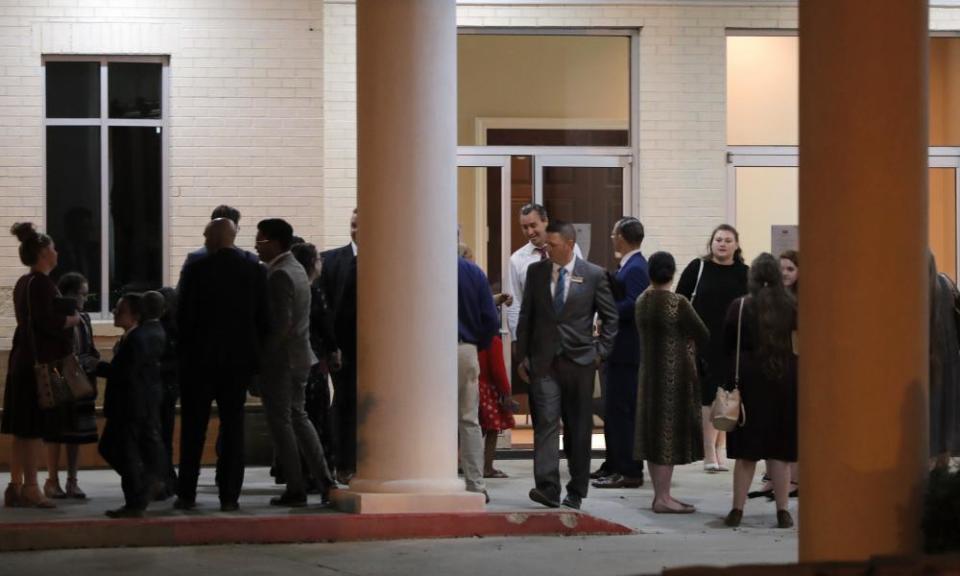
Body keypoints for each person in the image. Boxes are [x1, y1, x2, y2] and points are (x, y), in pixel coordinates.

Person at [517, 221, 618, 510]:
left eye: (553, 245)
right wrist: (522, 356)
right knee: (546, 423)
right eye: (545, 245)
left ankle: (576, 489)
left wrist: (600, 352)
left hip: (580, 362)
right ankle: (547, 487)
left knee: (578, 428)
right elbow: (527, 315)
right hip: (544, 362)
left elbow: (611, 319)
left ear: (570, 244)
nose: (546, 249)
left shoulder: (594, 275)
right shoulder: (536, 272)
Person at [175, 218, 269, 512]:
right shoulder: (254, 270)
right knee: (233, 428)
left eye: (205, 233)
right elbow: (264, 318)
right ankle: (229, 495)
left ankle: (187, 493)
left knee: (194, 429)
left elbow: (182, 317)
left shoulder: (196, 269)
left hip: (199, 362)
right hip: (237, 362)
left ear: (215, 238)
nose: (203, 238)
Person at [256, 218, 336, 506]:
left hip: (283, 361)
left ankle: (296, 486)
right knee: (300, 419)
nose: (256, 245)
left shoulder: (279, 274)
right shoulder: (297, 270)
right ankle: (325, 479)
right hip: (301, 357)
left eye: (261, 240)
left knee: (283, 424)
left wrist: (262, 361)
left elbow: (280, 326)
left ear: (276, 242)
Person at [3, 223, 81, 509]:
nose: (57, 251)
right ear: (43, 252)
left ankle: (16, 486)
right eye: (53, 248)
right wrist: (70, 321)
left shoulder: (25, 282)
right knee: (34, 428)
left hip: (22, 360)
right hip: (41, 366)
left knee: (21, 429)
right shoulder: (42, 284)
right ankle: (32, 487)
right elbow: (46, 322)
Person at [723, 253, 798, 530]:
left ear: (752, 277)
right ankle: (783, 512)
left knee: (746, 454)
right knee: (778, 453)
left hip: (749, 382)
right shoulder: (792, 307)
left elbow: (728, 344)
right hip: (783, 380)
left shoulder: (739, 307)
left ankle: (737, 510)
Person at [634, 252, 709, 513]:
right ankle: (664, 498)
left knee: (652, 436)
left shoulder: (642, 301)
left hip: (648, 375)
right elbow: (702, 332)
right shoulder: (678, 303)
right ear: (673, 272)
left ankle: (658, 494)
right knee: (667, 437)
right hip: (673, 377)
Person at [675, 224, 748, 473]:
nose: (722, 244)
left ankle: (720, 449)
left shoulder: (744, 273)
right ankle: (708, 452)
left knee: (726, 395)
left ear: (736, 245)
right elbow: (680, 300)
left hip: (733, 342)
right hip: (702, 341)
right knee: (707, 396)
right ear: (711, 243)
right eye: (718, 239)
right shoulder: (698, 268)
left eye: (728, 240)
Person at [97, 292, 168, 518]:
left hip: (130, 405)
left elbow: (124, 374)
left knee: (123, 452)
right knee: (111, 448)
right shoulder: (139, 335)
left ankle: (137, 498)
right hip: (133, 405)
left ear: (136, 315)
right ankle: (145, 485)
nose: (115, 313)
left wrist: (96, 367)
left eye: (120, 310)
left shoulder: (138, 339)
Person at [593, 217, 649, 490]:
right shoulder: (627, 265)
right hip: (617, 350)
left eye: (614, 233)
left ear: (623, 237)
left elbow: (632, 305)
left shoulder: (637, 267)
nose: (612, 237)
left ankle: (628, 469)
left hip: (627, 352)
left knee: (622, 412)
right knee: (613, 411)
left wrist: (606, 309)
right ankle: (613, 463)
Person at [42, 272, 100, 500]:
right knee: (56, 432)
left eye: (86, 295)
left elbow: (90, 347)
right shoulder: (58, 318)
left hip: (81, 377)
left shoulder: (84, 319)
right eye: (81, 294)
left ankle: (72, 480)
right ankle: (52, 479)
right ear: (68, 294)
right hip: (60, 377)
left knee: (76, 433)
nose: (84, 299)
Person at [291, 240, 338, 491]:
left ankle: (302, 472)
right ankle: (320, 471)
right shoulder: (314, 292)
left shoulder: (294, 290)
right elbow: (325, 326)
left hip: (297, 361)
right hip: (314, 361)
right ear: (311, 264)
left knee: (299, 416)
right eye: (318, 260)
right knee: (316, 417)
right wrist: (333, 351)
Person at [458, 246, 501, 503]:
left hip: (428, 352)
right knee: (469, 420)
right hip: (465, 347)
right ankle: (476, 485)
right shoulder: (473, 272)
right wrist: (477, 345)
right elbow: (490, 320)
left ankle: (433, 477)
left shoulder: (421, 267)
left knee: (428, 419)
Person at [320, 208, 357, 484]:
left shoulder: (387, 259)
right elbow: (325, 309)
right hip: (342, 347)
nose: (356, 230)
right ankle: (342, 462)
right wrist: (330, 347)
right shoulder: (331, 260)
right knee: (344, 402)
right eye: (353, 225)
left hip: (378, 349)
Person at [930, 254, 960, 468]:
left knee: (934, 409)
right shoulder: (947, 283)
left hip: (933, 359)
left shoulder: (924, 289)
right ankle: (943, 464)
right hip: (951, 358)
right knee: (947, 412)